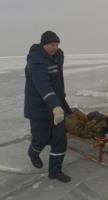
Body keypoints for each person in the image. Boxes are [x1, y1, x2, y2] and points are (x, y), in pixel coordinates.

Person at [24, 31, 72, 182]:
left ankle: (55, 171)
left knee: (60, 140)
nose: (55, 47)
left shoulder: (56, 57)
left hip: (56, 105)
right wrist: (55, 105)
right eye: (52, 44)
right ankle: (33, 152)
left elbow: (56, 82)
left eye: (57, 44)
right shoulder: (36, 61)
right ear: (44, 44)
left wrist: (59, 104)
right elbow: (42, 85)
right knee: (41, 138)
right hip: (39, 107)